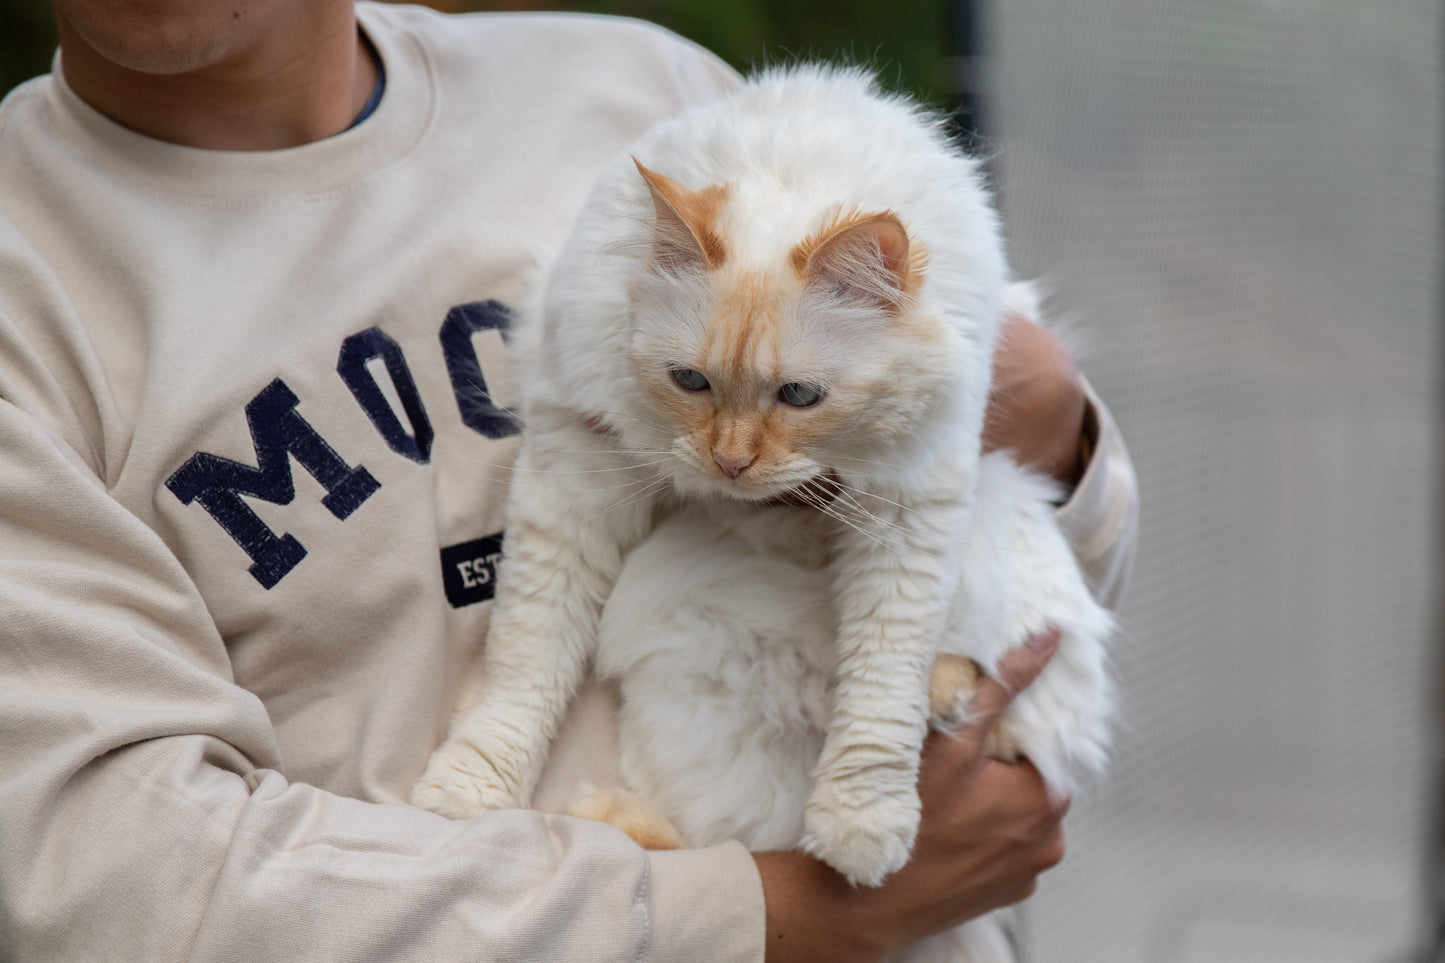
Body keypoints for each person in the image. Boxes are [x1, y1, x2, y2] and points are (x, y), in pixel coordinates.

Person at [0, 0, 1138, 959]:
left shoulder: (637, 90)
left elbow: (1053, 539)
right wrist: (772, 917)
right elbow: (109, 871)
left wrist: (1053, 430)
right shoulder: (27, 273)